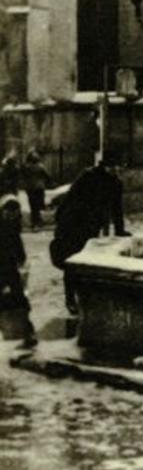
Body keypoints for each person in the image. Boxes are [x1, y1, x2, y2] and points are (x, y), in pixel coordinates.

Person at [49, 155, 128, 314]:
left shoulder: (116, 183)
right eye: (113, 166)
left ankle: (82, 296)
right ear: (105, 166)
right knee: (71, 260)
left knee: (84, 260)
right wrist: (60, 216)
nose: (117, 170)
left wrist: (119, 230)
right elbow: (71, 194)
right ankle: (70, 298)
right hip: (72, 223)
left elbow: (117, 209)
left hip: (91, 226)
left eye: (119, 167)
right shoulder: (89, 176)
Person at [0, 194, 36, 347]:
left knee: (19, 296)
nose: (10, 215)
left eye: (13, 213)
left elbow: (16, 241)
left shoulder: (14, 224)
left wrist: (21, 257)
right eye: (7, 212)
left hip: (9, 266)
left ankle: (26, 331)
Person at [22, 148, 50, 230]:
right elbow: (47, 176)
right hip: (40, 188)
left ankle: (35, 222)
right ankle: (38, 221)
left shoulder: (27, 167)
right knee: (38, 205)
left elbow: (23, 176)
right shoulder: (41, 167)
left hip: (30, 188)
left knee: (33, 205)